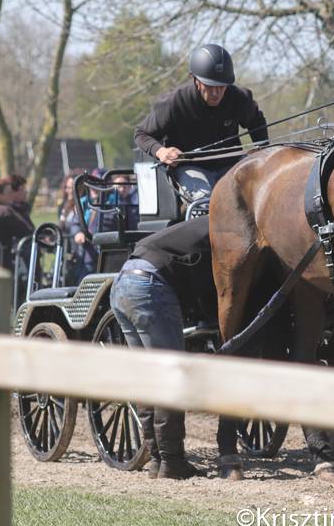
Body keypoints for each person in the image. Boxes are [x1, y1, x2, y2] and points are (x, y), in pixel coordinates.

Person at [109, 216, 210, 479]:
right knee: (169, 375)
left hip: (121, 284)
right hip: (150, 286)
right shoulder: (222, 227)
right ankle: (172, 460)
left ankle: (157, 459)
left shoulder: (191, 228)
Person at [134, 43, 269, 202]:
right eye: (210, 86)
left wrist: (262, 149)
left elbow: (257, 123)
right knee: (204, 200)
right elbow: (141, 134)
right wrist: (161, 151)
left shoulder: (239, 98)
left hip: (230, 165)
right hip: (190, 167)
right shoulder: (174, 102)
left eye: (221, 86)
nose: (216, 93)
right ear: (195, 79)